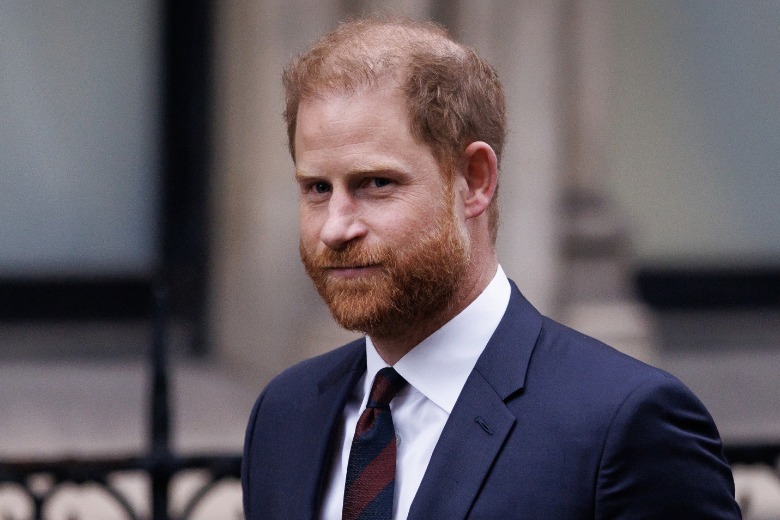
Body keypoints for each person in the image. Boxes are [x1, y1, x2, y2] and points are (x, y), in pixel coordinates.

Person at [242, 17, 741, 520]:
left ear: (474, 181)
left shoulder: (625, 423)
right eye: (317, 189)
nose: (335, 228)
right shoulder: (286, 415)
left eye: (375, 183)